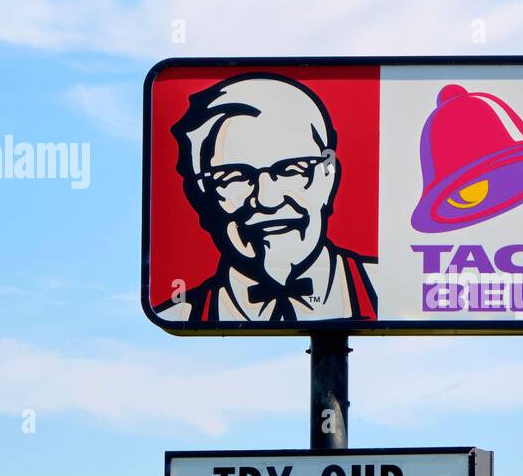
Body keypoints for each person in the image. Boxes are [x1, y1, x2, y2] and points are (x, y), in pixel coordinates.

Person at [156, 72, 376, 323]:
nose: (267, 200)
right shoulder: (178, 315)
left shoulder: (390, 291)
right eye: (234, 177)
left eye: (291, 170)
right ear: (199, 197)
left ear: (328, 177)